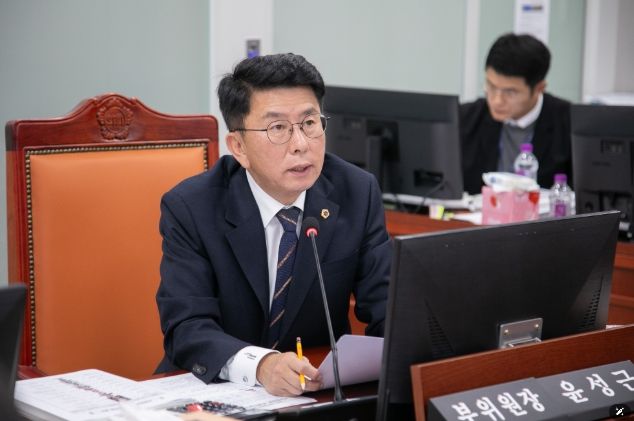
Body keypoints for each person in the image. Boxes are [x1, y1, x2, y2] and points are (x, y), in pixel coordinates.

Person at [155, 53, 391, 397]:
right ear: (238, 147)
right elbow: (186, 327)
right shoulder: (192, 207)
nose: (301, 144)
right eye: (277, 128)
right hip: (212, 394)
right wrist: (261, 365)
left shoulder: (357, 192)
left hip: (316, 391)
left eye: (309, 123)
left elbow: (389, 311)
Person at [460, 33, 572, 195]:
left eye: (510, 92)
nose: (497, 100)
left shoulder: (569, 123)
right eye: (491, 86)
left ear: (539, 88)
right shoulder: (465, 119)